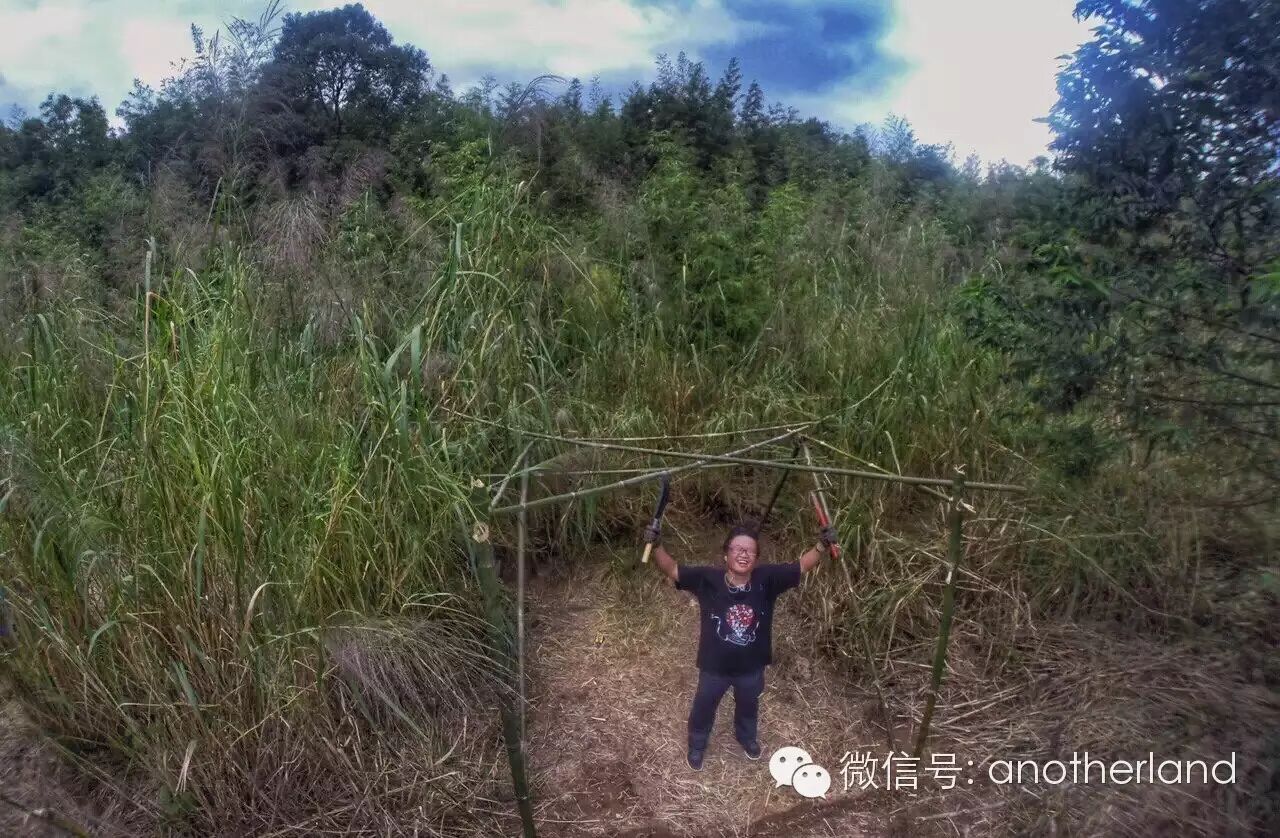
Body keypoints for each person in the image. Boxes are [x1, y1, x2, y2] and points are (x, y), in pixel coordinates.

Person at [644, 519, 837, 770]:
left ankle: (746, 737)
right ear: (726, 554)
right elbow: (673, 570)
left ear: (756, 559)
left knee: (749, 704)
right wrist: (657, 545)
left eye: (750, 551)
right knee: (704, 705)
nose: (744, 554)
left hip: (751, 666)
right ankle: (697, 743)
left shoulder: (767, 579)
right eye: (738, 548)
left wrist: (821, 546)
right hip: (713, 667)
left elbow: (800, 566)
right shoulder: (707, 579)